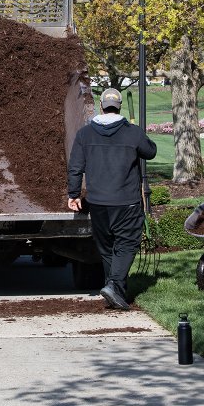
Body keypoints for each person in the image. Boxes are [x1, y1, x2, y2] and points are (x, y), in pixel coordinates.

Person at [67, 87, 157, 311]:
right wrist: (138, 134)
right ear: (119, 107)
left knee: (107, 247)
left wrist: (74, 194)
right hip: (126, 201)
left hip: (97, 202)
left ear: (101, 106)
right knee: (127, 243)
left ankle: (115, 292)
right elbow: (151, 151)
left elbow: (75, 167)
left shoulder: (85, 134)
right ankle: (115, 285)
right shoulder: (132, 132)